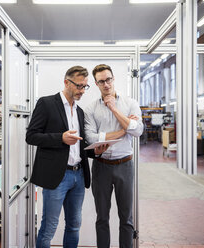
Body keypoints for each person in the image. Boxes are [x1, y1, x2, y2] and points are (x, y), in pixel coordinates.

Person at [26, 65, 108, 248]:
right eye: (79, 86)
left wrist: (95, 151)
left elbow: (79, 144)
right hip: (57, 176)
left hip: (78, 176)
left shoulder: (79, 111)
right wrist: (60, 138)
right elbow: (31, 136)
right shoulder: (46, 103)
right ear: (66, 82)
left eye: (85, 86)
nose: (82, 91)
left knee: (74, 226)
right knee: (49, 227)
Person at [84, 64, 143, 248]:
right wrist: (124, 129)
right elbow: (91, 138)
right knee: (102, 217)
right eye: (101, 81)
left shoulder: (130, 103)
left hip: (125, 165)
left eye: (108, 79)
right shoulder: (90, 109)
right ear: (96, 84)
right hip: (101, 167)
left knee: (126, 217)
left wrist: (115, 109)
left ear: (113, 78)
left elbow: (138, 131)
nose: (106, 84)